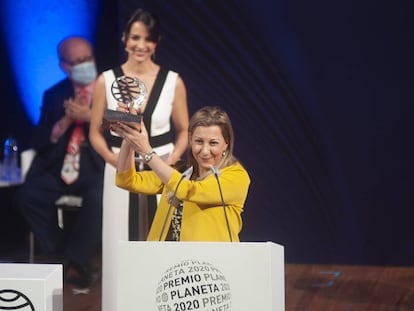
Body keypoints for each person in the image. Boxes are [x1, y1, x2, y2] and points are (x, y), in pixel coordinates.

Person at [89, 8, 189, 310]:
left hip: (162, 168)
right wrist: (114, 159)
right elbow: (95, 131)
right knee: (121, 239)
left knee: (163, 241)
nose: (140, 45)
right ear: (124, 39)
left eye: (147, 39)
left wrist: (171, 160)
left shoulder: (173, 81)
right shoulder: (106, 80)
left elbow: (184, 130)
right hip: (121, 166)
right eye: (135, 37)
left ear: (157, 42)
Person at [14, 36, 104, 289]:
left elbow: (123, 127)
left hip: (94, 164)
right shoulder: (54, 94)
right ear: (64, 66)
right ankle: (67, 254)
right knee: (27, 196)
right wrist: (63, 122)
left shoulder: (110, 89)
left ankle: (68, 260)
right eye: (77, 62)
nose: (84, 65)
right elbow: (39, 138)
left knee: (99, 198)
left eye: (87, 59)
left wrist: (89, 116)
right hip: (58, 164)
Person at [113, 106, 250, 241]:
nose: (205, 150)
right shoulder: (181, 172)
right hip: (167, 260)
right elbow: (127, 180)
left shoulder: (236, 176)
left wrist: (147, 152)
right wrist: (130, 134)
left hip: (210, 262)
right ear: (190, 140)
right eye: (199, 141)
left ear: (226, 143)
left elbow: (189, 190)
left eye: (213, 143)